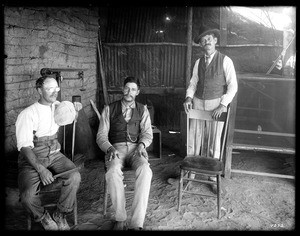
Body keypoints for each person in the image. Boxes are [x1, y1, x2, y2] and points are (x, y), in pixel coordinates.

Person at [15, 73, 82, 230]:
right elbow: (25, 147)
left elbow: (69, 114)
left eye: (56, 88)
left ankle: (60, 213)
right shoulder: (28, 114)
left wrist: (75, 109)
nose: (54, 92)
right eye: (49, 88)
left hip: (54, 154)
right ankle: (43, 216)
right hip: (32, 157)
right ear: (39, 90)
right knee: (27, 197)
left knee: (74, 176)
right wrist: (41, 170)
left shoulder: (57, 106)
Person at [182, 27, 238, 193]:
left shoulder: (225, 60)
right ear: (200, 44)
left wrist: (223, 104)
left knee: (214, 141)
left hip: (216, 105)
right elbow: (193, 83)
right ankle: (189, 174)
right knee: (194, 138)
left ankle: (213, 178)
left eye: (209, 39)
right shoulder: (199, 62)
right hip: (198, 103)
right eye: (203, 40)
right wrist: (188, 97)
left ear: (215, 41)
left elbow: (233, 85)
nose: (206, 42)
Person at [96, 76, 153, 230]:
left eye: (133, 89)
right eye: (127, 88)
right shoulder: (109, 108)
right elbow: (101, 136)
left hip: (136, 149)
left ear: (138, 92)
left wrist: (142, 145)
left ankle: (136, 223)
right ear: (123, 89)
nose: (129, 92)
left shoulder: (143, 109)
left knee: (146, 171)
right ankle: (120, 218)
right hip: (116, 149)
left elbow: (148, 133)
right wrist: (110, 149)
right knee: (113, 171)